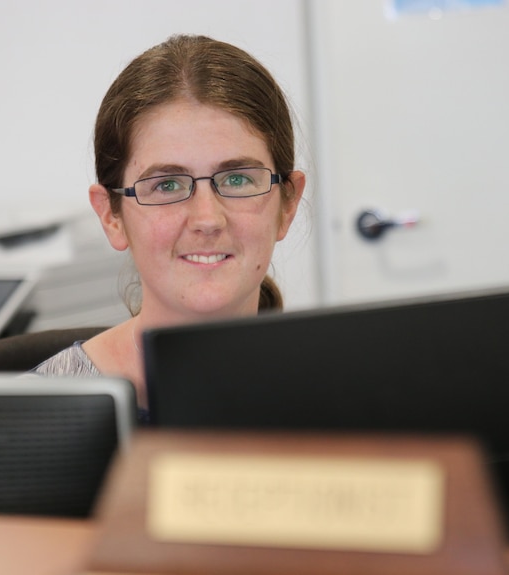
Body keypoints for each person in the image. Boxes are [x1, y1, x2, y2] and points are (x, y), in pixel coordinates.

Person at [31, 34, 306, 422]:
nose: (207, 220)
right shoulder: (38, 417)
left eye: (238, 179)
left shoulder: (359, 401)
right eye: (167, 185)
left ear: (288, 203)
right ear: (111, 216)